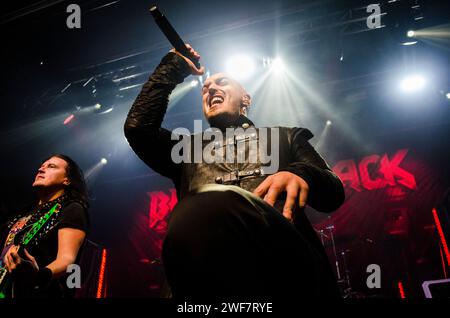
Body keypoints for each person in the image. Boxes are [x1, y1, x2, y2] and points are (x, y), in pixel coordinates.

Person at [124, 45, 345, 297]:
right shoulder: (186, 149)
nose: (210, 89)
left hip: (284, 272)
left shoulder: (284, 137)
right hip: (207, 280)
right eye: (205, 88)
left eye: (223, 82)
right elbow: (138, 129)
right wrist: (172, 67)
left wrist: (301, 173)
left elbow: (334, 192)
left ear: (246, 99)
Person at [0, 154, 89, 298]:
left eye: (51, 166)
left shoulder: (72, 208)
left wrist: (39, 275)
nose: (41, 169)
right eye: (41, 166)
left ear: (67, 180)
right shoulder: (22, 213)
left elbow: (67, 260)